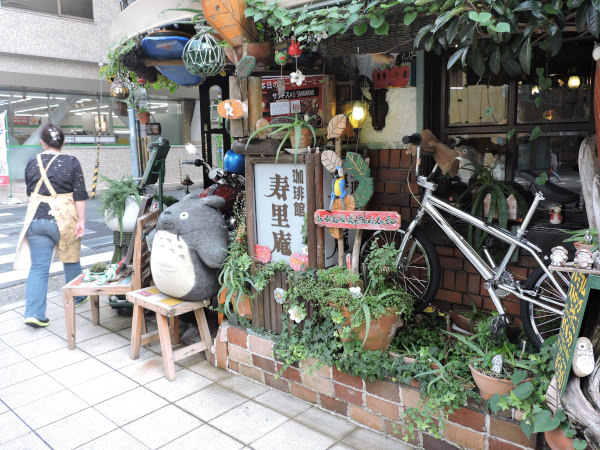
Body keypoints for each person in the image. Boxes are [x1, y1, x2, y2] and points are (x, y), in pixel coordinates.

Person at [14, 123, 88, 328]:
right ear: (63, 141)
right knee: (71, 260)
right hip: (64, 219)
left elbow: (31, 192)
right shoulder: (72, 162)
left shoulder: (32, 161)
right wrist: (81, 221)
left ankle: (34, 313)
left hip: (36, 219)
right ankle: (77, 297)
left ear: (42, 143)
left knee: (38, 266)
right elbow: (79, 195)